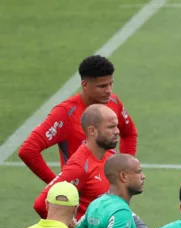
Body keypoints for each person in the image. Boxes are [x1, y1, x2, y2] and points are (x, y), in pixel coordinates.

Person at [18, 55, 137, 184]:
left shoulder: (113, 102)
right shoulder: (65, 113)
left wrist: (126, 169)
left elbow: (129, 133)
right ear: (84, 84)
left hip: (110, 196)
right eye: (102, 86)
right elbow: (28, 150)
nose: (108, 91)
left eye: (110, 84)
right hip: (81, 200)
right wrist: (59, 186)